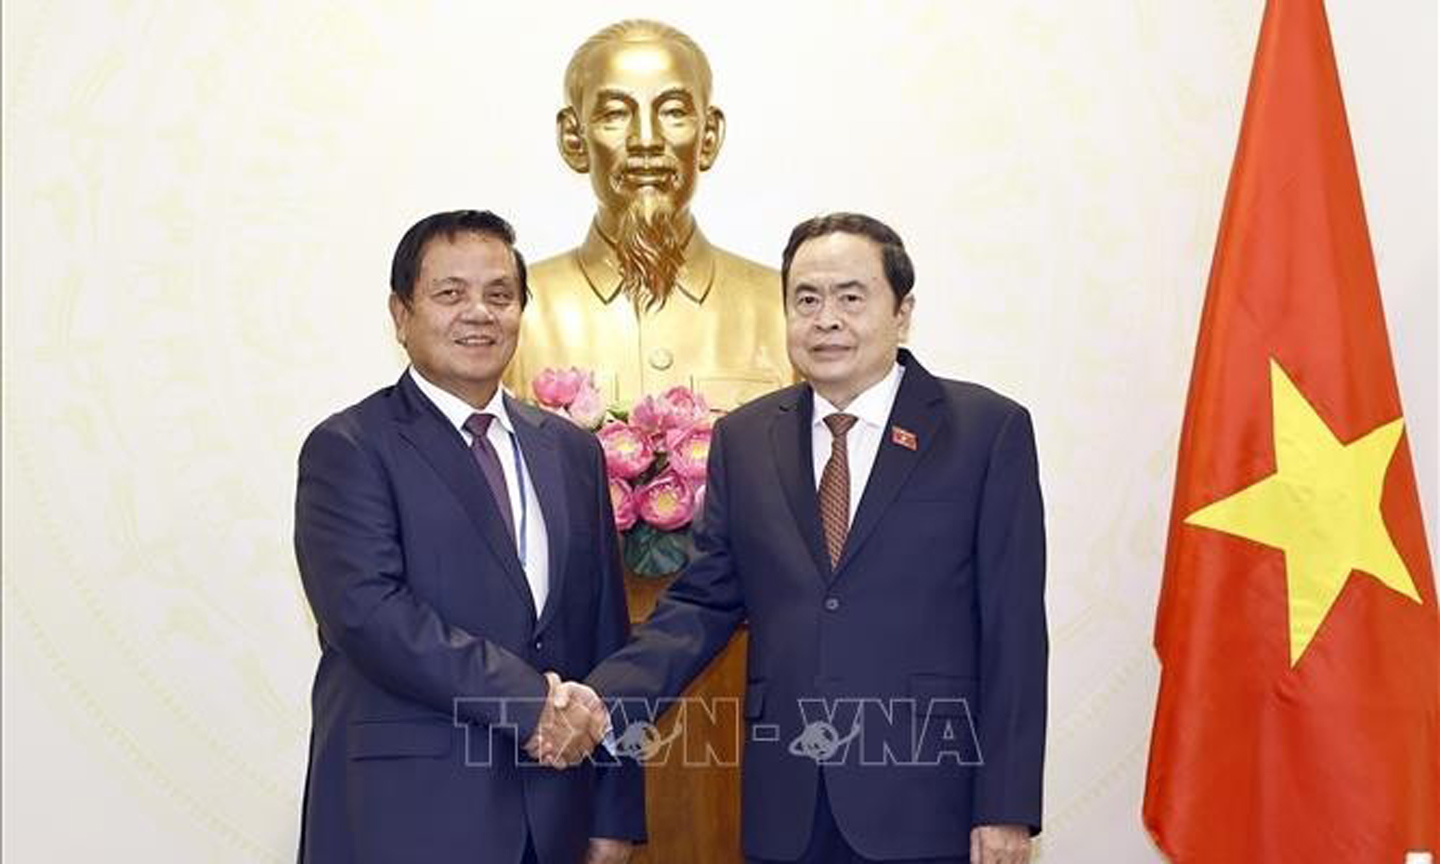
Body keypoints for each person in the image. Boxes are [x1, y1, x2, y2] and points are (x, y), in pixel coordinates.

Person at [578, 213, 1049, 863]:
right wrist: (601, 701)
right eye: (806, 299)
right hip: (788, 800)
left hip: (928, 797)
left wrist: (1006, 807)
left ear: (901, 313)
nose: (826, 318)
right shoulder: (746, 440)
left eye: (851, 297)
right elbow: (703, 602)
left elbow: (1014, 631)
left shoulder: (984, 431)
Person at [293, 210, 643, 864]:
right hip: (405, 813)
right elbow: (371, 616)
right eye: (450, 294)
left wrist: (614, 811)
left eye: (500, 295)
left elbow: (604, 637)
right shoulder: (349, 448)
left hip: (554, 818)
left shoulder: (570, 451)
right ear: (401, 315)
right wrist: (530, 703)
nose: (479, 312)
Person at [503, 19, 791, 410]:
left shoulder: (783, 308)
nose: (646, 140)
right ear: (573, 139)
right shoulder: (517, 312)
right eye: (614, 114)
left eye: (673, 112)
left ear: (708, 137)